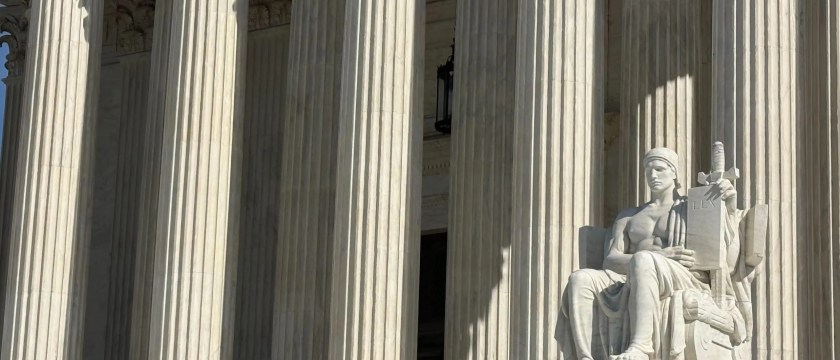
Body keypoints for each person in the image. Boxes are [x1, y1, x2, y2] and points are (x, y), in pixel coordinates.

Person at [557, 147, 744, 360]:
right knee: (579, 279)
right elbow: (610, 260)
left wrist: (728, 209)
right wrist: (662, 255)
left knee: (643, 259)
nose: (652, 175)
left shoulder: (692, 207)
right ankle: (586, 356)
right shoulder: (627, 217)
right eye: (648, 171)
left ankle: (641, 347)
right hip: (630, 276)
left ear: (674, 172)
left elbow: (727, 262)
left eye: (659, 169)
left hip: (684, 276)